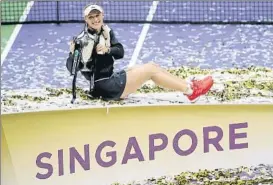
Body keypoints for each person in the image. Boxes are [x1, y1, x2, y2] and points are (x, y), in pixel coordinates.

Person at [67, 4, 214, 102]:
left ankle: (189, 86)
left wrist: (108, 50)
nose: (95, 19)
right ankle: (191, 92)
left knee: (152, 66)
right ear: (86, 19)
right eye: (91, 17)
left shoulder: (105, 31)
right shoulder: (84, 40)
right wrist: (73, 54)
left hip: (109, 79)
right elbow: (73, 69)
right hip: (105, 88)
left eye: (97, 15)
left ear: (102, 15)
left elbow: (120, 52)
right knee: (150, 70)